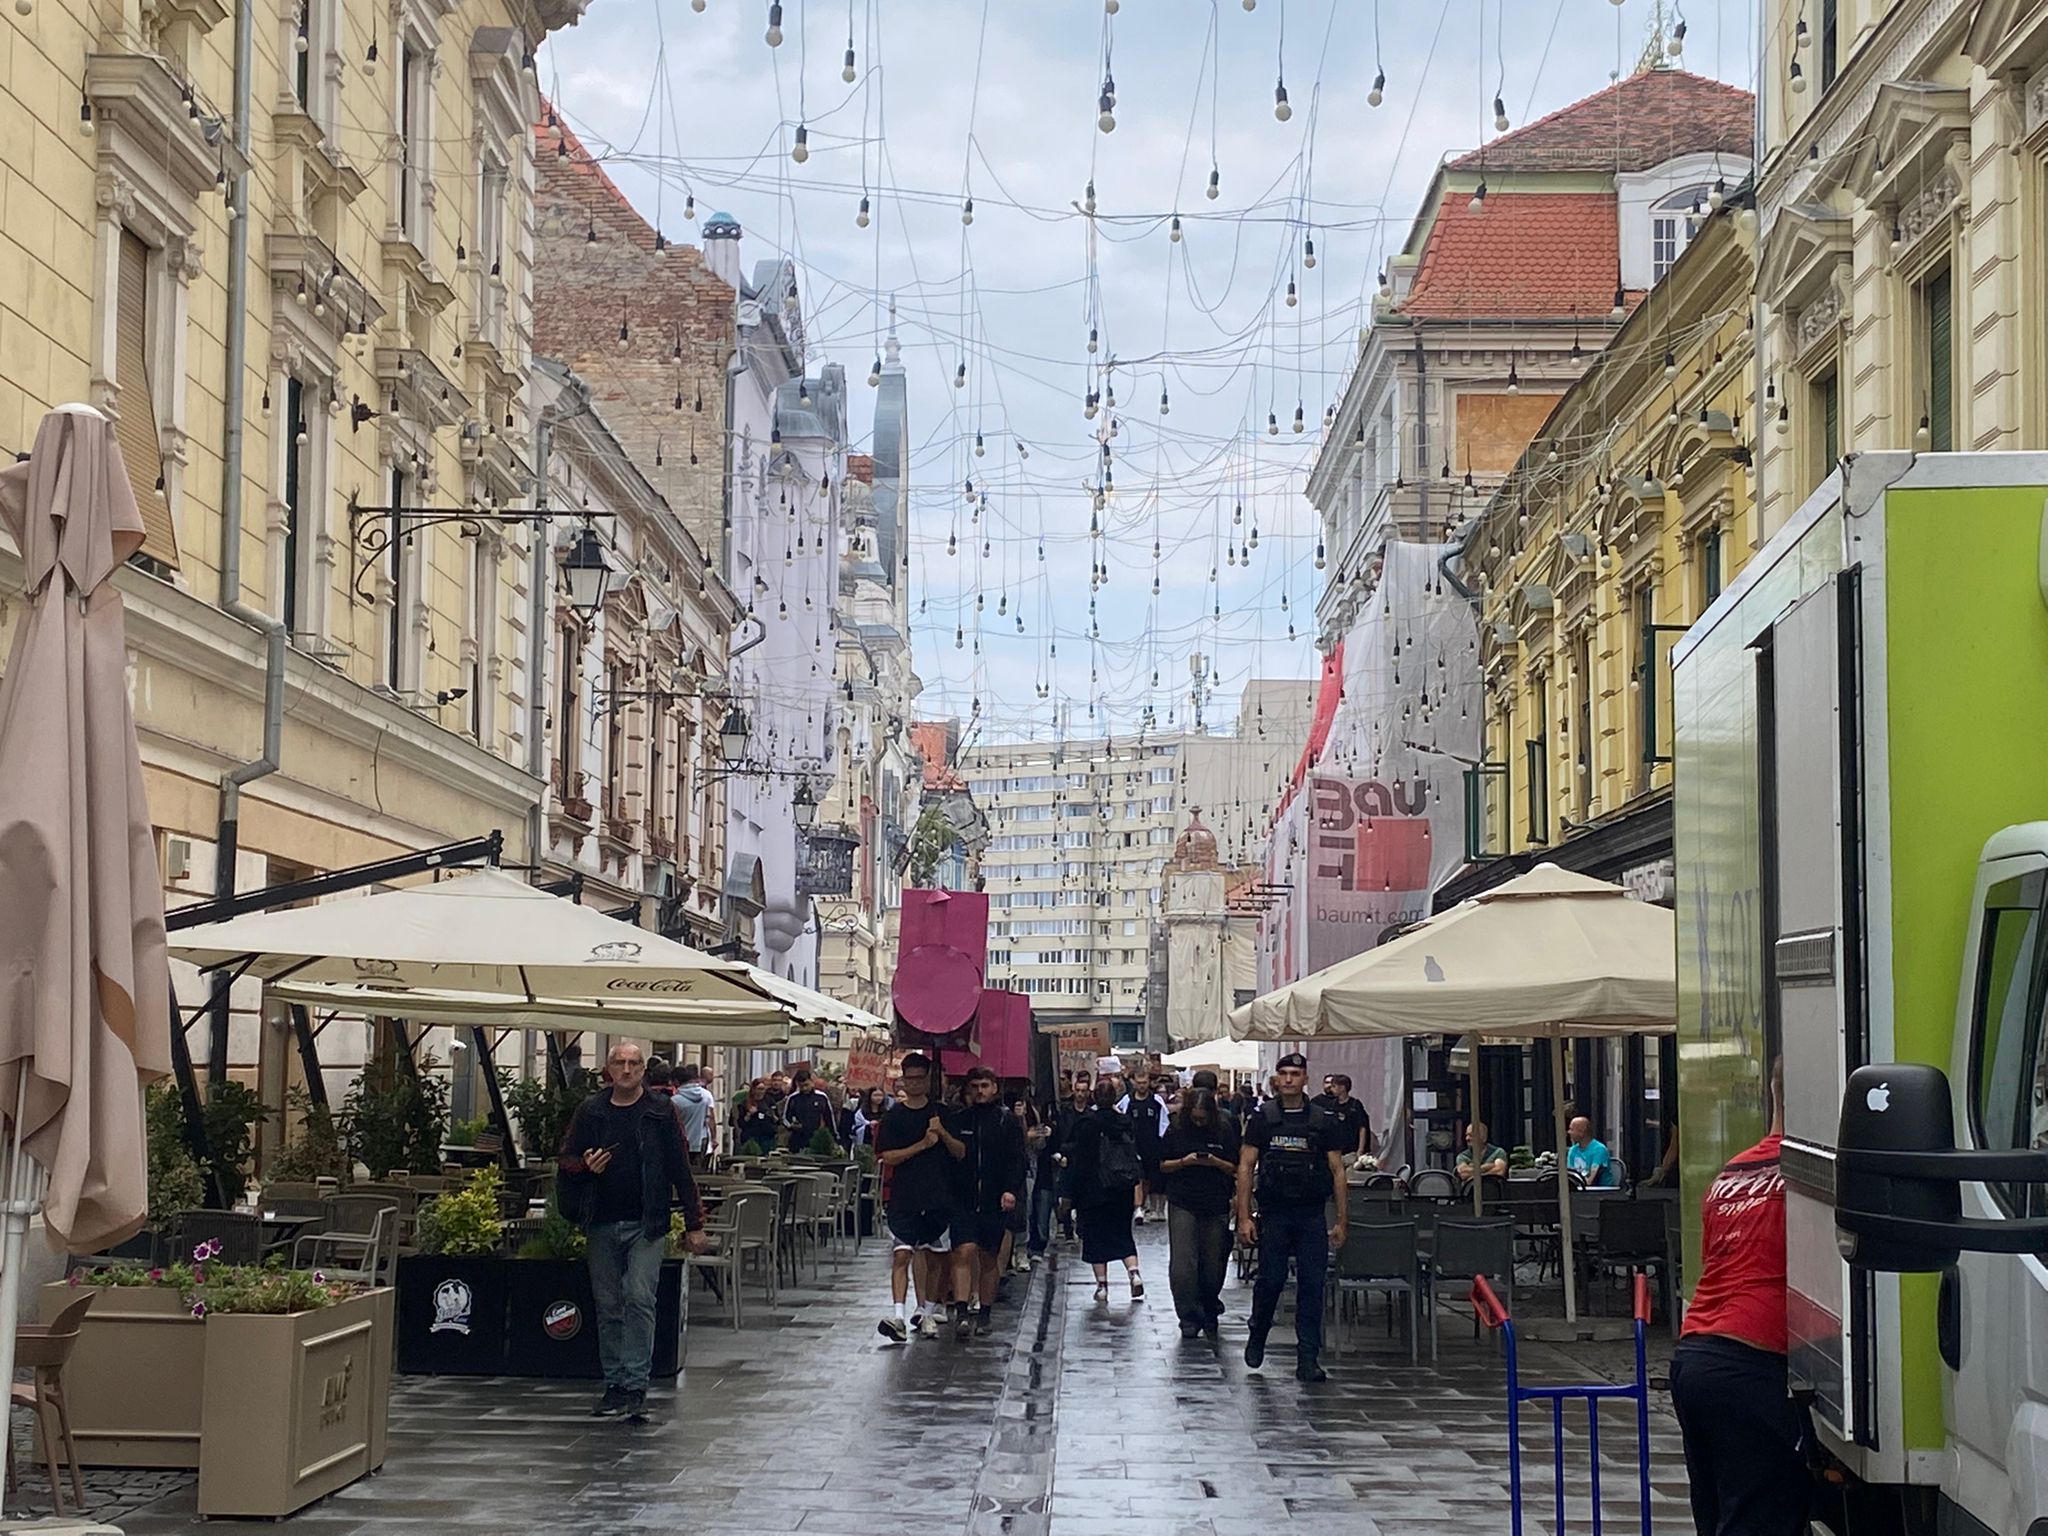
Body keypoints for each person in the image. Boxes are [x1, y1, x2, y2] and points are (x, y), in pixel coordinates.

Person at [1669, 1057, 1811, 1535]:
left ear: (1773, 1093)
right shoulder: (1809, 1180)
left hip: (1696, 1359)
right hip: (1754, 1369)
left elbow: (1722, 1266)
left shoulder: (1730, 1174)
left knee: (1718, 1519)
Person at [557, 1041, 708, 1422]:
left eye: (634, 1063)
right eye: (620, 1063)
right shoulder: (591, 1110)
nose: (627, 1070)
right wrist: (585, 1165)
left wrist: (694, 1223)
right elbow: (566, 1158)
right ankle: (615, 1384)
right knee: (608, 1304)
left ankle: (636, 1385)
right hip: (602, 1219)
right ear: (608, 1070)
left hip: (648, 1221)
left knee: (640, 1296)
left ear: (643, 1069)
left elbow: (679, 1167)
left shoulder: (659, 1110)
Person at [1236, 1051, 1346, 1382]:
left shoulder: (1322, 1120)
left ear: (1305, 1079)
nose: (1288, 1079)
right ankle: (1258, 1335)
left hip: (1311, 1214)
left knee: (1312, 1285)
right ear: (1276, 1078)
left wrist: (1342, 1220)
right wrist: (1243, 1216)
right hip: (1275, 1214)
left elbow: (1337, 1171)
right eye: (1283, 1073)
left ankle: (1308, 1358)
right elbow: (1245, 1167)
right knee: (1270, 1281)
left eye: (1295, 1074)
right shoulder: (1263, 1118)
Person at [874, 1054, 966, 1343]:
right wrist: (922, 1145)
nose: (913, 1084)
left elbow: (960, 1152)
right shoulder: (894, 1117)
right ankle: (898, 1313)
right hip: (905, 1196)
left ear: (928, 1080)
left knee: (936, 1256)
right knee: (902, 1254)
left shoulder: (944, 1114)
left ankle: (927, 1309)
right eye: (908, 1078)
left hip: (938, 1194)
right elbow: (888, 1156)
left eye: (918, 1078)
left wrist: (943, 1135)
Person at [945, 1066, 1028, 1336]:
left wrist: (1010, 1190)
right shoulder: (960, 1120)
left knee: (988, 1256)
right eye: (975, 1086)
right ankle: (961, 1309)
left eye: (985, 1085)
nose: (980, 1091)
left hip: (994, 1198)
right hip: (963, 1197)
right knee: (963, 1250)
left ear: (994, 1088)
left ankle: (985, 1312)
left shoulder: (1006, 1121)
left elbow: (1017, 1160)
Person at [1158, 1085, 1240, 1341]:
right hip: (1183, 1199)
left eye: (1203, 1118)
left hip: (1216, 1201)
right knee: (1183, 1263)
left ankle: (1209, 1306)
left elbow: (1236, 1167)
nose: (1199, 1121)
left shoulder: (1224, 1129)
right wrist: (1185, 1161)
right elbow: (1162, 1165)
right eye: (1195, 1117)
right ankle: (1188, 1316)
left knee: (1213, 1262)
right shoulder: (1176, 1129)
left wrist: (1215, 1162)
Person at [1064, 1080, 1145, 1301]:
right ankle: (1134, 1273)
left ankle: (1102, 1286)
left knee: (1095, 1237)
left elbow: (1079, 1161)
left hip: (1093, 1188)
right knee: (1122, 1233)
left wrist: (1070, 1194)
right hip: (1121, 1187)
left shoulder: (1087, 1122)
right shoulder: (1124, 1121)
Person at [1118, 1074, 1170, 1224]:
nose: (1142, 1086)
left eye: (1144, 1083)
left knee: (1153, 1177)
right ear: (1134, 1083)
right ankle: (1138, 1207)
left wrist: (1161, 1139)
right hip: (1133, 1145)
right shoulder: (1128, 1100)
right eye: (1139, 1083)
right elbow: (1120, 1115)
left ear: (1148, 1083)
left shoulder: (1156, 1100)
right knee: (1137, 1176)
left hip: (1152, 1145)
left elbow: (1164, 1121)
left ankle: (1153, 1207)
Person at [1315, 1074, 1373, 1163]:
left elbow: (1362, 1128)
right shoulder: (1331, 1105)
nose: (1331, 1089)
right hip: (1335, 1151)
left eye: (1334, 1086)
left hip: (1351, 1150)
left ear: (1342, 1088)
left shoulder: (1354, 1105)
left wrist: (1360, 1150)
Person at [782, 1065, 839, 1150]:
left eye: (806, 1085)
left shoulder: (821, 1097)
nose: (804, 1088)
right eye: (801, 1086)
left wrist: (834, 1136)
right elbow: (785, 1118)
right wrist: (791, 1126)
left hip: (816, 1137)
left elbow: (829, 1118)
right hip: (798, 1138)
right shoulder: (793, 1098)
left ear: (811, 1082)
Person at [1566, 1116, 1615, 1187]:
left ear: (1581, 1132)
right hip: (1579, 1190)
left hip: (1600, 1192)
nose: (1569, 1132)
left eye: (1571, 1129)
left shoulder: (1599, 1150)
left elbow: (1591, 1180)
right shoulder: (1573, 1150)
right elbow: (1570, 1175)